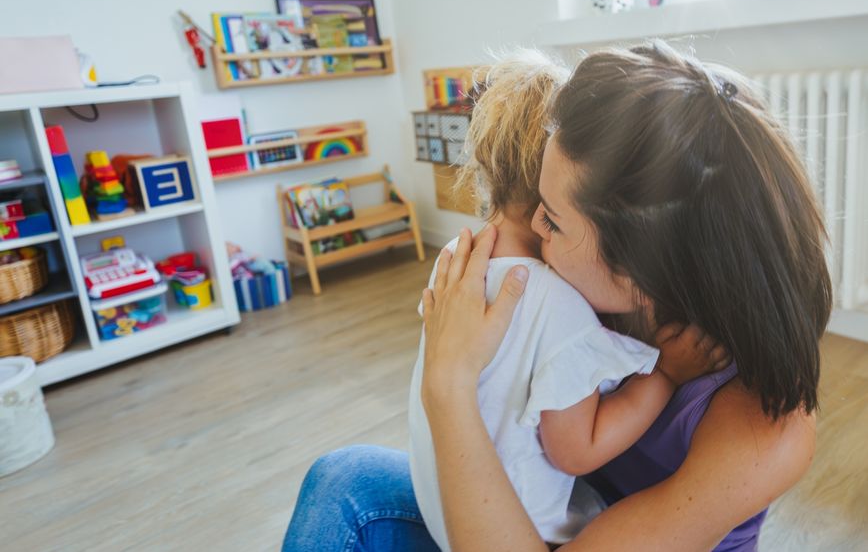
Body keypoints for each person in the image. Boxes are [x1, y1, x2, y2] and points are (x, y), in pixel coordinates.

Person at [282, 40, 830, 551]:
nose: (530, 232)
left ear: (640, 267)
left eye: (553, 220)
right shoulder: (599, 287)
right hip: (556, 506)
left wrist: (446, 386)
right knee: (343, 476)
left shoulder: (765, 432)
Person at [407, 50, 727, 551]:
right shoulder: (559, 305)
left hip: (442, 508)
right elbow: (574, 451)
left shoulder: (456, 259)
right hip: (517, 530)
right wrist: (665, 374)